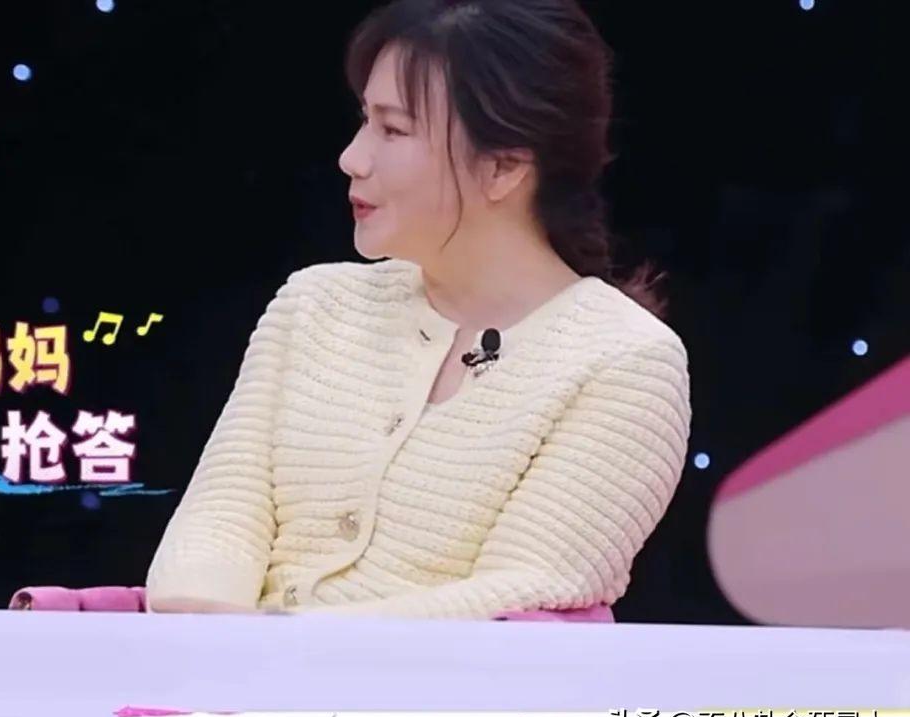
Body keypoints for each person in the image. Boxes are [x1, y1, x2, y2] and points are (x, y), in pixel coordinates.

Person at [146, 0, 691, 619]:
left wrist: (284, 646)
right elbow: (218, 520)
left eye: (393, 130)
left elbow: (525, 590)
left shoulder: (626, 361)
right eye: (365, 120)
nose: (352, 158)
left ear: (504, 166)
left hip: (430, 686)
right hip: (232, 675)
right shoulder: (314, 304)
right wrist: (213, 640)